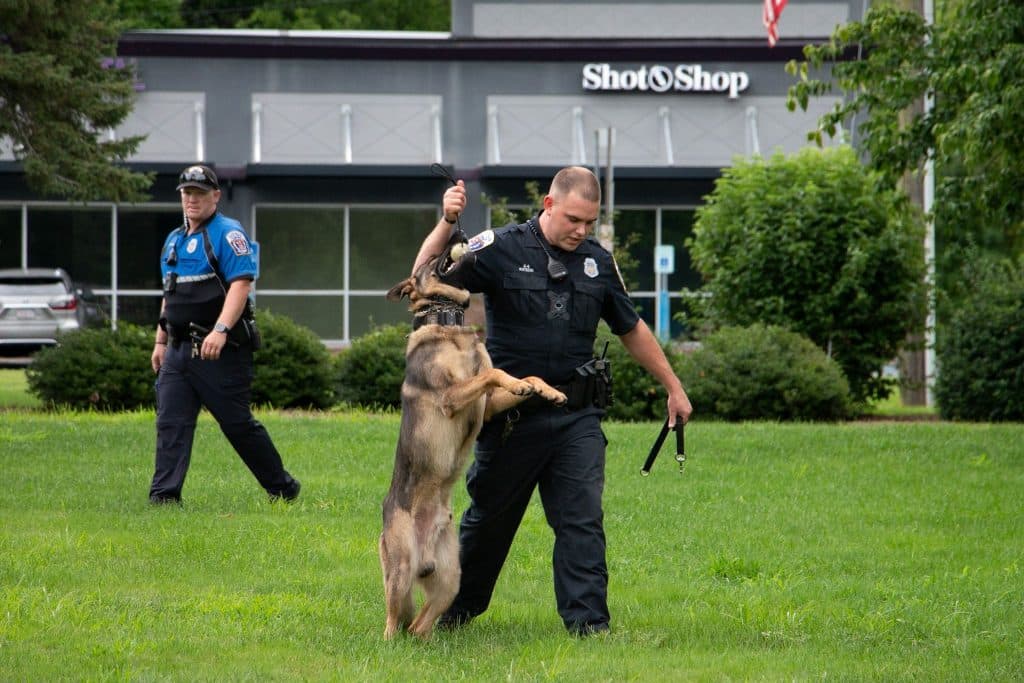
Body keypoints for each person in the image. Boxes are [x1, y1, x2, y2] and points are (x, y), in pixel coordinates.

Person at [412, 166, 693, 636]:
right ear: (549, 204)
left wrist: (674, 386)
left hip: (575, 415)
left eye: (589, 222)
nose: (580, 231)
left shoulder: (597, 262)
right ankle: (453, 613)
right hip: (509, 417)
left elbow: (630, 327)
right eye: (573, 220)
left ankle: (588, 626)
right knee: (488, 525)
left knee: (582, 519)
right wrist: (445, 223)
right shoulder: (499, 248)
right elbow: (423, 278)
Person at [148, 164, 300, 505]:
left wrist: (220, 330)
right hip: (177, 351)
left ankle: (282, 487)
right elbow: (169, 295)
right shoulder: (174, 240)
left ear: (215, 196)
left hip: (221, 351)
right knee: (171, 423)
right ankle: (164, 497)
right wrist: (160, 341)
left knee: (238, 426)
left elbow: (241, 285)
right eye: (187, 193)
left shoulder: (228, 234)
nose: (192, 199)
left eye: (199, 193)